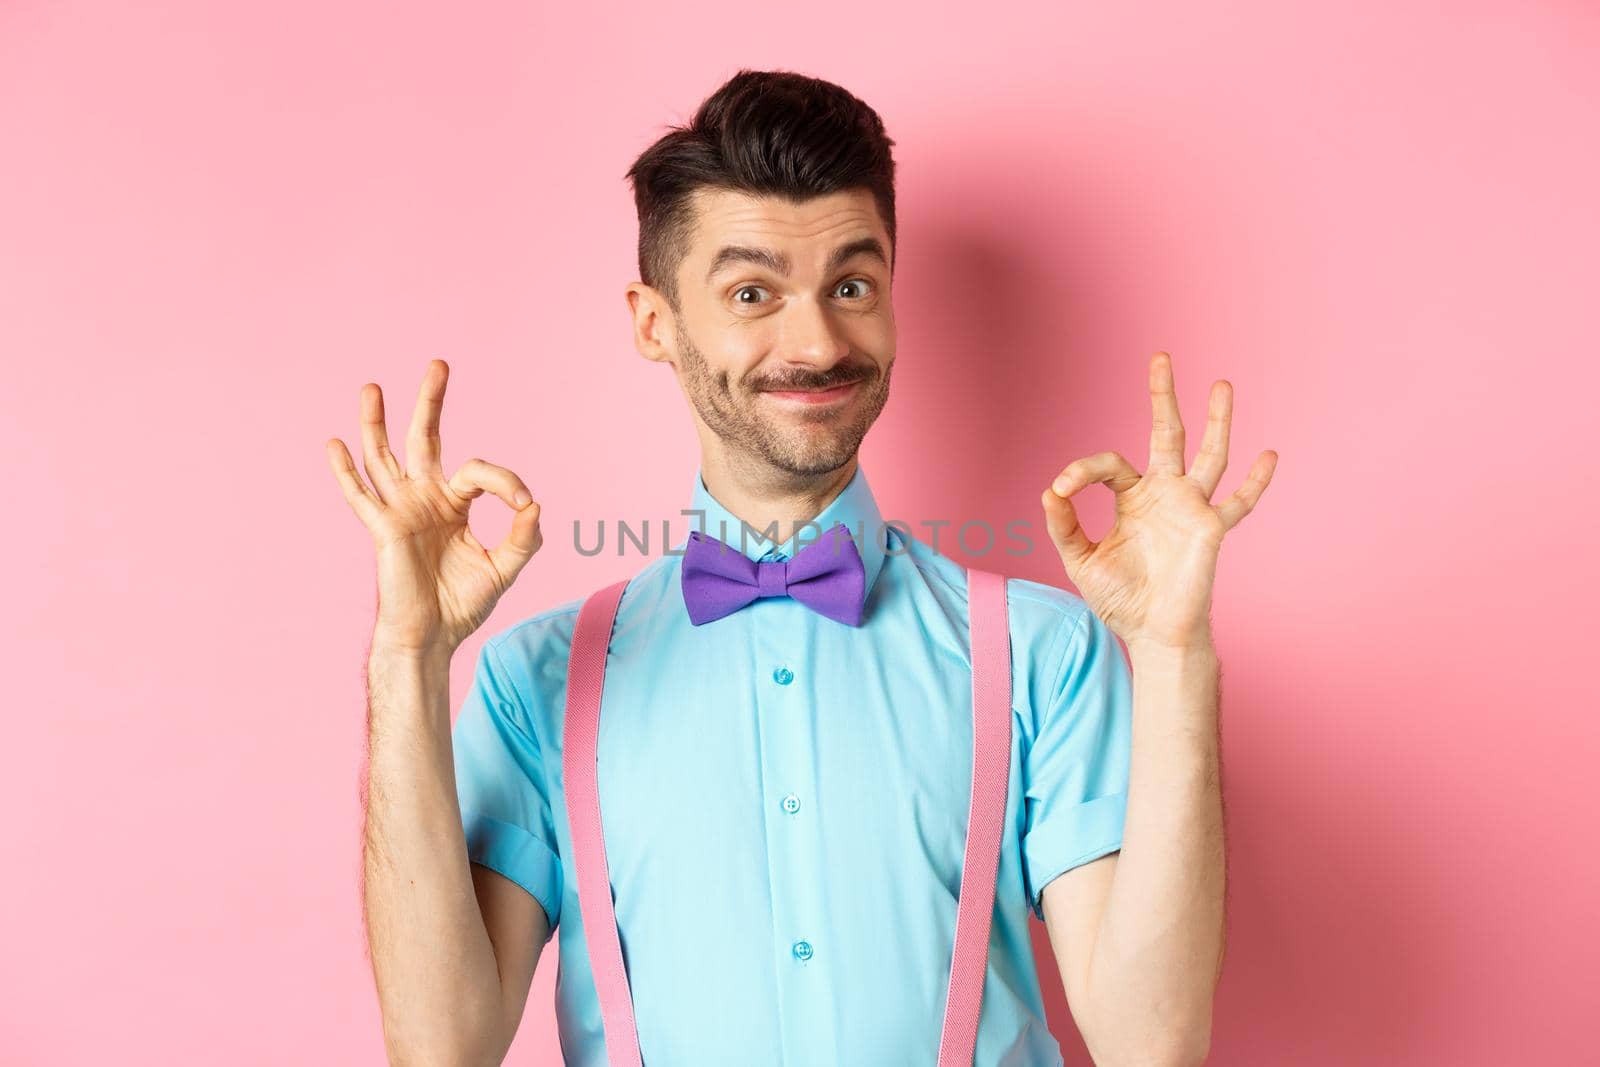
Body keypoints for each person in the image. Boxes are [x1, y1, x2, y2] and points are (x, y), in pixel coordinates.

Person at [328, 68, 1276, 1067]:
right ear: (655, 323)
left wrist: (1171, 653)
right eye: (752, 292)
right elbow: (440, 1045)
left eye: (852, 286)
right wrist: (407, 656)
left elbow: (1150, 1042)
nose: (817, 340)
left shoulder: (1044, 651)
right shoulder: (539, 679)